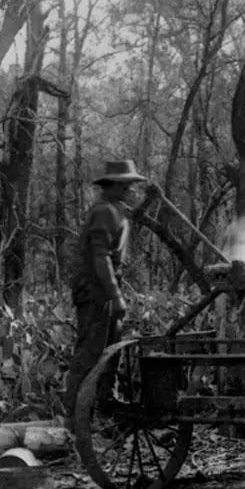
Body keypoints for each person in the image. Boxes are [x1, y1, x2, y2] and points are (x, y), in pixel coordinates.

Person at [64, 160, 146, 427]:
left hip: (106, 288)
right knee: (90, 353)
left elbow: (131, 218)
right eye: (125, 185)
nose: (130, 190)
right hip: (96, 289)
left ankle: (104, 406)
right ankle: (76, 420)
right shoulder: (104, 212)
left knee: (111, 351)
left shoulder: (116, 210)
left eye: (131, 185)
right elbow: (101, 257)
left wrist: (150, 202)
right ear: (111, 186)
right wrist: (115, 295)